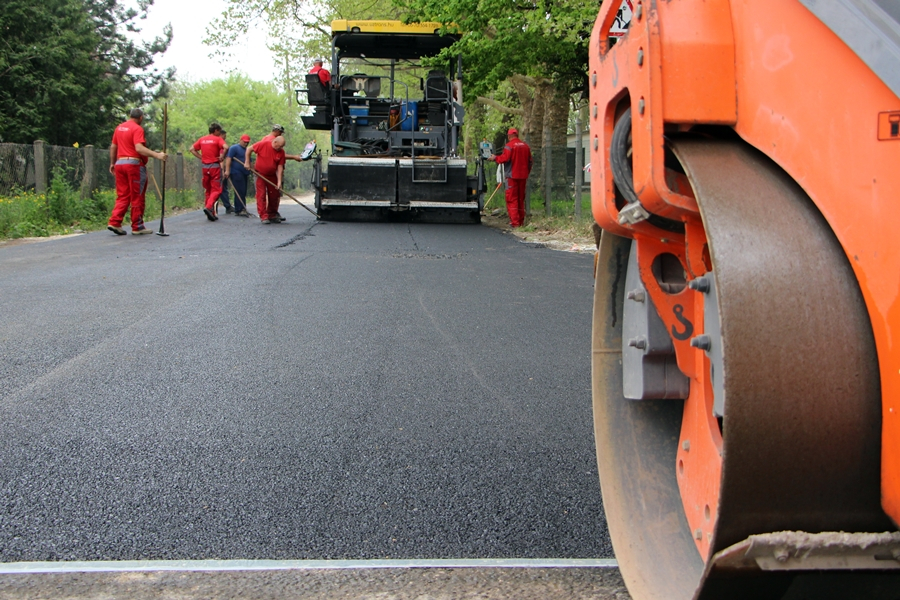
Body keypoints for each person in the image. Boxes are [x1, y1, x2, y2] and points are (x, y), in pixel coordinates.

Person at [107, 108, 167, 235]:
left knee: (123, 195)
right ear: (141, 118)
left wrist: (112, 163)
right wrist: (157, 155)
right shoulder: (137, 129)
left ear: (130, 116)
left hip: (120, 163)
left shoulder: (119, 128)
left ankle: (115, 221)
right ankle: (137, 226)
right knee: (137, 195)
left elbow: (114, 146)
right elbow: (139, 148)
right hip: (133, 165)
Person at [490, 127, 533, 228]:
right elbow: (530, 162)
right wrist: (526, 172)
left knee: (512, 199)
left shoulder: (509, 146)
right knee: (520, 199)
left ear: (509, 136)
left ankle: (515, 223)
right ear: (517, 135)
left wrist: (495, 157)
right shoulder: (525, 146)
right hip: (523, 177)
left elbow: (504, 158)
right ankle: (521, 222)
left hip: (511, 177)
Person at [245, 129, 287, 224]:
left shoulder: (281, 152)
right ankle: (263, 216)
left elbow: (280, 167)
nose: (279, 148)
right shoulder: (263, 144)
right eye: (278, 146)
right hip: (260, 174)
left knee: (274, 195)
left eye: (281, 147)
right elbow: (249, 149)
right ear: (275, 141)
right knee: (261, 195)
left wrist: (279, 181)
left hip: (272, 175)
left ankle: (272, 214)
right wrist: (247, 162)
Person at [190, 122, 227, 221]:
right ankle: (209, 206)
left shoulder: (202, 139)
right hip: (214, 166)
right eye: (219, 131)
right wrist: (222, 157)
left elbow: (192, 149)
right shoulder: (218, 139)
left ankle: (211, 213)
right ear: (216, 130)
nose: (220, 134)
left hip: (205, 167)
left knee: (208, 190)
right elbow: (226, 147)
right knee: (216, 189)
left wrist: (201, 157)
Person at [224, 134, 253, 217]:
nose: (246, 144)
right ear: (240, 140)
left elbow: (249, 161)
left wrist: (253, 170)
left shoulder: (247, 150)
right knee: (239, 190)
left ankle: (242, 208)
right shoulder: (234, 148)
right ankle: (239, 209)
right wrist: (227, 170)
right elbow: (229, 159)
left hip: (244, 173)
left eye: (247, 142)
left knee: (243, 191)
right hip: (236, 172)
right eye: (244, 142)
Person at [216, 129, 234, 214]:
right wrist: (223, 171)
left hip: (215, 169)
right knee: (221, 188)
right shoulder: (220, 145)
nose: (225, 139)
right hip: (219, 170)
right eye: (224, 137)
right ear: (221, 135)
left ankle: (227, 206)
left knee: (223, 188)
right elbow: (221, 159)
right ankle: (227, 206)